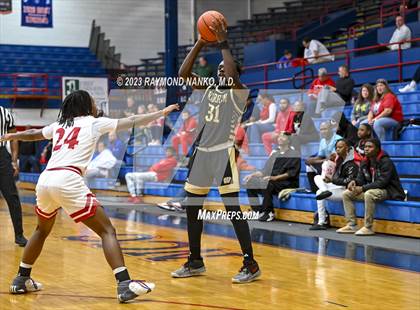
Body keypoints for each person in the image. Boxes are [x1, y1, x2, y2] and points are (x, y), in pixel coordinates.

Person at [2, 90, 178, 302]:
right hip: (68, 178)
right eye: (93, 102)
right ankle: (124, 284)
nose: (95, 106)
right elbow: (131, 120)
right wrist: (161, 112)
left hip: (46, 180)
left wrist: (13, 135)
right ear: (86, 106)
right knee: (107, 231)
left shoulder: (59, 125)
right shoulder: (94, 122)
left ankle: (21, 280)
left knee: (41, 230)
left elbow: (33, 132)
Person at [174, 17, 260, 283]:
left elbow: (233, 76)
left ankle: (250, 263)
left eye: (226, 68)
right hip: (202, 153)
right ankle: (195, 260)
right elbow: (183, 75)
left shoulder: (239, 92)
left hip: (223, 152)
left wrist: (223, 43)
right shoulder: (208, 87)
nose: (222, 71)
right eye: (219, 68)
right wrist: (201, 42)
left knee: (232, 210)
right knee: (192, 209)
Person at [337, 138, 405, 236]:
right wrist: (354, 182)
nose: (366, 149)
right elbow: (360, 180)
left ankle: (368, 227)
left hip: (389, 191)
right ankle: (351, 225)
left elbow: (382, 182)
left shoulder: (386, 162)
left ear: (377, 149)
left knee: (369, 194)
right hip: (373, 190)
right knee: (347, 194)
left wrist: (362, 188)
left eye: (370, 147)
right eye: (365, 147)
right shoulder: (364, 162)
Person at [244, 133, 300, 222]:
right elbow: (264, 171)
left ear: (288, 140)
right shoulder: (275, 154)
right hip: (272, 181)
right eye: (279, 136)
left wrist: (274, 178)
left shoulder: (294, 154)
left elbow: (290, 173)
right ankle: (257, 211)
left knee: (266, 183)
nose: (280, 138)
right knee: (250, 183)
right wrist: (252, 175)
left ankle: (269, 212)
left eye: (283, 137)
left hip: (286, 182)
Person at [310, 139, 358, 230]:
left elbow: (349, 181)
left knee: (319, 192)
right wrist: (330, 166)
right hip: (337, 187)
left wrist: (333, 180)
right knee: (317, 177)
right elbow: (335, 177)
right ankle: (325, 191)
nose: (337, 149)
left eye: (340, 147)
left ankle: (322, 222)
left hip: (346, 190)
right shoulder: (339, 160)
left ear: (347, 148)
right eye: (336, 148)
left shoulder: (353, 161)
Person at [0, 106, 27, 246]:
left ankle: (19, 235)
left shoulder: (5, 113)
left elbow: (14, 138)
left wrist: (14, 161)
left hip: (2, 156)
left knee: (12, 196)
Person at [305, 121, 342, 193]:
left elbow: (333, 158)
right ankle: (314, 189)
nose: (323, 131)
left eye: (325, 129)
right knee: (308, 165)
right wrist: (310, 160)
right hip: (326, 163)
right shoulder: (323, 141)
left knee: (325, 163)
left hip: (337, 164)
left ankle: (326, 187)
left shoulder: (338, 139)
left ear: (331, 129)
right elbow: (320, 156)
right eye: (321, 129)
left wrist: (315, 161)